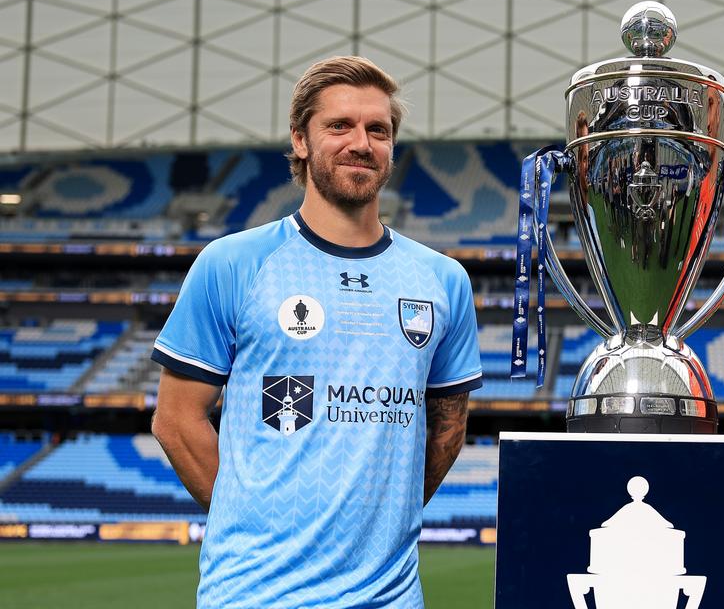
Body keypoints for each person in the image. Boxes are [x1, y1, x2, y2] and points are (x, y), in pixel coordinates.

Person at [151, 56, 483, 608]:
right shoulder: (233, 263)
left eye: (379, 129)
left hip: (390, 596)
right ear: (300, 140)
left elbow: (448, 429)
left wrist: (379, 527)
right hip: (256, 593)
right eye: (339, 126)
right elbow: (176, 419)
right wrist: (253, 520)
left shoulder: (442, 280)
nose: (362, 142)